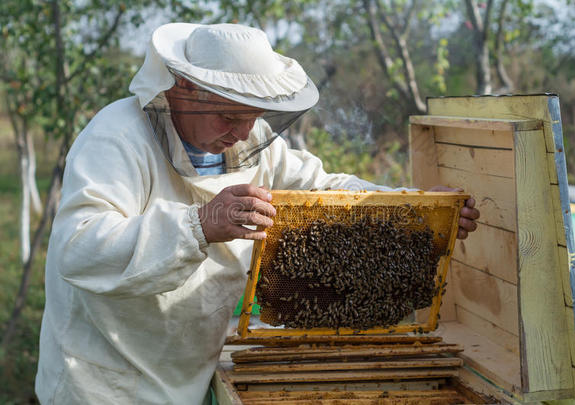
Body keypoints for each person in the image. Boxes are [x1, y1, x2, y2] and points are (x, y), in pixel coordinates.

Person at [35, 23, 479, 404]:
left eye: (254, 116)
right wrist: (201, 224)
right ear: (183, 88)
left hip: (189, 369)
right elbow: (79, 246)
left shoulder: (248, 141)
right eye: (230, 115)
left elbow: (326, 189)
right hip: (101, 381)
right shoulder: (117, 137)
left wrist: (415, 205)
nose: (244, 132)